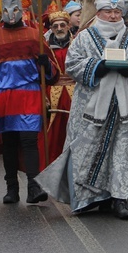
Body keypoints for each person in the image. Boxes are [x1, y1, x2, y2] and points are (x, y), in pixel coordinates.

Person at [37, 0, 128, 220]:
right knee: (87, 149)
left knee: (122, 151)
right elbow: (72, 63)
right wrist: (97, 67)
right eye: (108, 12)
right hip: (91, 108)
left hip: (127, 109)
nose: (113, 16)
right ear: (99, 13)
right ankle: (88, 197)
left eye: (117, 12)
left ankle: (119, 198)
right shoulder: (83, 38)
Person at [0, 0, 59, 205]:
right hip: (3, 99)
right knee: (9, 142)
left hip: (30, 96)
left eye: (15, 9)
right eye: (7, 10)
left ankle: (34, 187)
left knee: (29, 140)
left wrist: (45, 64)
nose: (11, 14)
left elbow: (51, 76)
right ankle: (12, 188)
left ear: (21, 11)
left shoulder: (35, 36)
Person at [39, 11, 75, 167]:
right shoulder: (45, 48)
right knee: (52, 133)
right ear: (51, 29)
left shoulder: (78, 45)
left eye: (62, 25)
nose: (59, 28)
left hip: (75, 92)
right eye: (55, 26)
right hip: (53, 93)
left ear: (68, 26)